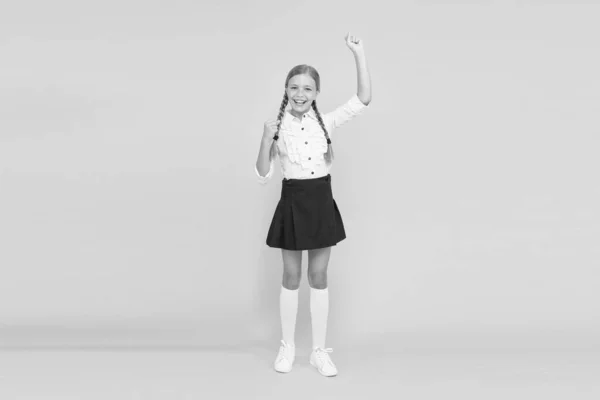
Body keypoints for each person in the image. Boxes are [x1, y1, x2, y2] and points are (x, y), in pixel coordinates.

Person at [255, 33, 371, 377]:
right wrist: (265, 139)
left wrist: (358, 53)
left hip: (320, 201)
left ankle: (319, 351)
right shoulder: (277, 128)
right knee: (291, 276)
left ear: (316, 93)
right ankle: (287, 347)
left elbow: (363, 99)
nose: (300, 94)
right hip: (292, 202)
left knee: (318, 276)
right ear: (286, 91)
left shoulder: (329, 122)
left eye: (307, 88)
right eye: (294, 87)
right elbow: (263, 173)